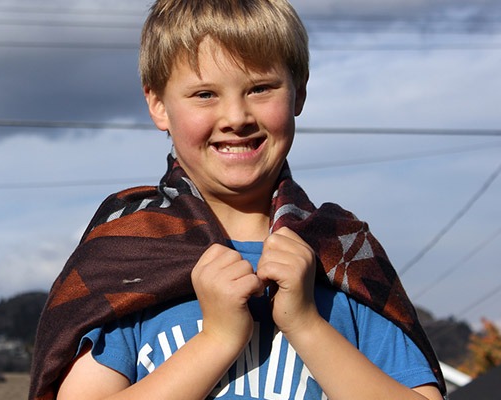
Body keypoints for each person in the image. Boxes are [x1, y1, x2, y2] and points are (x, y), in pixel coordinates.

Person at [29, 1, 446, 399]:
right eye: (205, 94)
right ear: (158, 105)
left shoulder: (342, 254)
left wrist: (305, 324)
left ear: (298, 94)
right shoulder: (126, 257)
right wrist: (217, 339)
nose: (237, 117)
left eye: (261, 88)